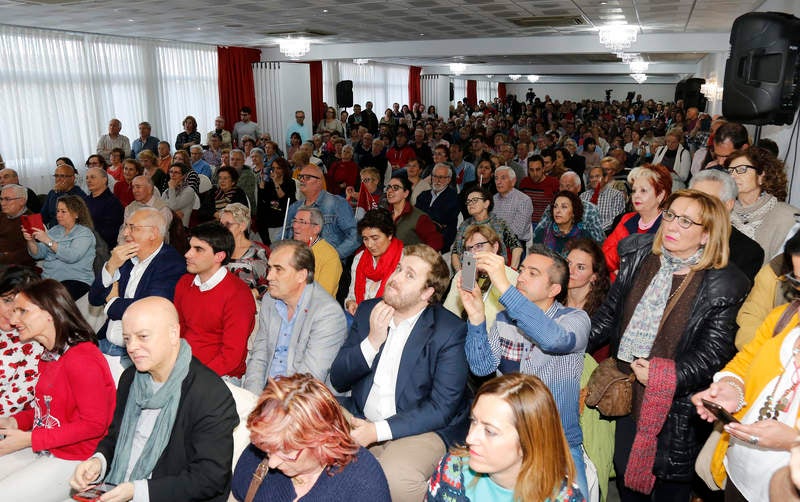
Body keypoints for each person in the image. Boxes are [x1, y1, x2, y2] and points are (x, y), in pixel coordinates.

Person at [590, 189, 750, 501]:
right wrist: (566, 337)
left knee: (668, 490)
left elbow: (713, 353)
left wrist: (667, 375)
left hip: (677, 411)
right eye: (671, 215)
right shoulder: (640, 256)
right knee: (626, 480)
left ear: (707, 235)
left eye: (687, 222)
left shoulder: (723, 283)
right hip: (628, 396)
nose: (673, 226)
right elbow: (609, 315)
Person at [330, 244, 470, 502]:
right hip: (360, 415)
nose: (395, 278)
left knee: (393, 477)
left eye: (409, 275)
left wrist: (376, 432)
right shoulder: (369, 311)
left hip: (422, 428)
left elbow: (441, 408)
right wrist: (371, 342)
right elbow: (338, 379)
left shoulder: (448, 331)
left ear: (427, 292)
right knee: (303, 428)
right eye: (398, 268)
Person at [69, 297, 239, 502]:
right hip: (117, 486)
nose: (132, 347)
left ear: (173, 334)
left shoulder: (211, 394)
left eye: (142, 336)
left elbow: (209, 479)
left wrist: (137, 491)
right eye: (128, 338)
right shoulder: (130, 378)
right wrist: (99, 461)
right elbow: (115, 436)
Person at [460, 243, 591, 497]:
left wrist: (505, 288)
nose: (520, 277)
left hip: (558, 442)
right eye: (521, 270)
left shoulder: (574, 320)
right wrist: (476, 319)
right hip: (507, 438)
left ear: (554, 289)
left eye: (533, 273)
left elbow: (553, 340)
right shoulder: (504, 319)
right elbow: (482, 367)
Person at [0, 279, 115, 500]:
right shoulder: (50, 356)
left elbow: (94, 424)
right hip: (50, 448)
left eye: (22, 311)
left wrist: (31, 439)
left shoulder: (83, 358)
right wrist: (14, 421)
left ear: (49, 312)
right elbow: (50, 411)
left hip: (79, 458)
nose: (14, 320)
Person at [692, 295, 800, 501]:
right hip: (739, 474)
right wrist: (731, 389)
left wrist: (792, 441)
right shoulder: (783, 317)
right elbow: (744, 363)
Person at [426, 373, 584, 502]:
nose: (470, 438)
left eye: (489, 431)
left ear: (529, 442)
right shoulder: (451, 471)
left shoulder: (566, 498)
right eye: (474, 421)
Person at [232, 373, 390, 501]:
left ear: (322, 441)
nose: (272, 463)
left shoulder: (363, 481)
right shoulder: (256, 454)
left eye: (285, 453)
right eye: (268, 450)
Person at [244, 240, 347, 394]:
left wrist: (273, 408)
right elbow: (259, 356)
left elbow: (310, 379)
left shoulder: (327, 313)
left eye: (279, 269)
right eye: (270, 268)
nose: (269, 276)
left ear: (301, 275)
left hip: (304, 401)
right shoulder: (270, 300)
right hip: (269, 392)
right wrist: (252, 398)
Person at [89, 207, 186, 359]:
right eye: (125, 226)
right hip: (105, 341)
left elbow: (148, 311)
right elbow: (94, 298)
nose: (125, 233)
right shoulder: (125, 258)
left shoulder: (171, 264)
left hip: (136, 353)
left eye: (132, 227)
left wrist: (112, 302)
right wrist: (111, 265)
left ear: (153, 233)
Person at [174, 221, 256, 382]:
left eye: (198, 250)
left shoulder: (238, 294)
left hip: (221, 376)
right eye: (190, 247)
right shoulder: (184, 282)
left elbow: (232, 356)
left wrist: (194, 377)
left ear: (219, 256)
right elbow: (178, 332)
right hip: (185, 367)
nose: (188, 254)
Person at [689, 168, 764, 284]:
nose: (698, 205)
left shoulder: (748, 252)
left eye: (707, 200)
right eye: (693, 198)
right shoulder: (676, 231)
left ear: (728, 205)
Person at [727, 146, 799, 264]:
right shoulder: (723, 210)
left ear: (761, 176)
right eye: (730, 171)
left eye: (742, 169)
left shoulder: (787, 216)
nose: (733, 176)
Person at [602, 164, 672, 281]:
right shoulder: (627, 219)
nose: (636, 195)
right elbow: (605, 256)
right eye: (634, 191)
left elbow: (652, 270)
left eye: (643, 190)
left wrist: (620, 268)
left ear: (660, 195)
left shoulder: (669, 225)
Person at [444, 225, 519, 330]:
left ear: (495, 247)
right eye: (469, 248)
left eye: (479, 246)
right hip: (460, 334)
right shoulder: (462, 275)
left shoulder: (512, 277)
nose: (473, 253)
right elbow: (450, 312)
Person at [23, 195, 96, 300]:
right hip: (49, 279)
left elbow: (71, 256)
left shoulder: (84, 233)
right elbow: (37, 254)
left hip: (76, 280)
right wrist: (31, 240)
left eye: (63, 211)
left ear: (76, 214)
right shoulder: (55, 230)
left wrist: (47, 240)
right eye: (57, 211)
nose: (59, 215)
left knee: (51, 300)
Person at [283, 163, 361, 260]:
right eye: (300, 177)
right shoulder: (294, 208)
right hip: (299, 265)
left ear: (319, 181)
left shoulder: (337, 203)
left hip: (328, 269)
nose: (302, 180)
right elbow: (282, 237)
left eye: (307, 177)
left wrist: (333, 256)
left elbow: (356, 235)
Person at [0, 266, 42, 418]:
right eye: (7, 301)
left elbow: (11, 404)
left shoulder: (34, 344)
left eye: (21, 308)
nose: (10, 312)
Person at [345, 208, 403, 316]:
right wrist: (350, 303)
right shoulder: (360, 258)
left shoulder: (403, 261)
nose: (370, 245)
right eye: (365, 239)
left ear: (390, 235)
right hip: (360, 316)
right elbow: (352, 294)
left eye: (375, 238)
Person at [290, 206, 342, 298]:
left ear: (316, 229)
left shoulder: (329, 256)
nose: (295, 226)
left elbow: (322, 296)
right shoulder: (291, 249)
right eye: (294, 221)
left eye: (302, 222)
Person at [219, 202, 268, 298]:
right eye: (220, 224)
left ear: (242, 226)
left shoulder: (258, 253)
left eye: (228, 224)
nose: (222, 229)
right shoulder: (218, 249)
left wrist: (252, 294)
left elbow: (269, 285)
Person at [384, 175, 443, 251]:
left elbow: (436, 242)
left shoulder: (419, 217)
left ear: (406, 193)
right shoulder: (384, 215)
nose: (390, 191)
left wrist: (417, 258)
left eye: (395, 188)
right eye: (388, 187)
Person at [533, 190, 594, 257]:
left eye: (564, 207)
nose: (557, 211)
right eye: (555, 206)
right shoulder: (542, 234)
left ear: (574, 212)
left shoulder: (584, 236)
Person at [416, 164, 460, 253]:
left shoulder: (454, 197)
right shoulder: (423, 195)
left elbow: (441, 217)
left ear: (448, 179)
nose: (437, 180)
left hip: (441, 240)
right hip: (419, 236)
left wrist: (425, 216)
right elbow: (415, 216)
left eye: (441, 177)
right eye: (435, 176)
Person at [564, 237, 610, 317]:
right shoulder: (552, 297)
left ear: (594, 277)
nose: (570, 270)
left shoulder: (602, 312)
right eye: (568, 263)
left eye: (580, 267)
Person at [83, 166, 124, 249]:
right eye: (87, 178)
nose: (88, 181)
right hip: (84, 240)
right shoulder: (85, 200)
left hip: (102, 247)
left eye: (92, 177)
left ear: (104, 179)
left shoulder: (113, 203)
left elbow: (111, 232)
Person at [257, 157, 296, 244]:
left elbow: (285, 200)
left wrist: (275, 182)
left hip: (282, 217)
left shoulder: (290, 183)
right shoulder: (268, 183)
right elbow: (263, 202)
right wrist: (262, 188)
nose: (275, 170)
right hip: (268, 219)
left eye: (278, 168)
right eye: (273, 168)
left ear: (284, 169)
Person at [580, 164, 625, 232]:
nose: (594, 179)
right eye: (591, 177)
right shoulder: (583, 196)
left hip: (606, 233)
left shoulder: (616, 195)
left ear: (606, 178)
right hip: (583, 234)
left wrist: (595, 230)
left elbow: (614, 220)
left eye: (597, 176)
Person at [0, 184, 36, 268]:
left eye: (7, 199)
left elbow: (32, 252)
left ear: (22, 201)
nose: (2, 203)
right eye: (1, 199)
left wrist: (4, 257)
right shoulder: (1, 216)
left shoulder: (32, 219)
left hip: (17, 267)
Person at [41, 162, 86, 228]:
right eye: (56, 176)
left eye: (62, 176)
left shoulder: (79, 195)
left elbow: (69, 219)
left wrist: (56, 193)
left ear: (72, 178)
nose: (58, 179)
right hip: (52, 230)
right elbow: (43, 216)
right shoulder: (52, 192)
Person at [161, 162, 195, 227]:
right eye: (171, 172)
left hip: (180, 228)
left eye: (176, 172)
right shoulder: (167, 191)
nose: (172, 175)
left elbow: (173, 206)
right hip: (166, 223)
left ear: (183, 176)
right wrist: (173, 213)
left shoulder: (189, 191)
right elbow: (160, 207)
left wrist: (171, 188)